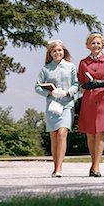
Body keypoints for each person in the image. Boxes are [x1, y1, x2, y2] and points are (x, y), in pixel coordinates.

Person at [78, 33, 104, 177]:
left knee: (101, 132)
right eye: (93, 43)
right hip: (89, 99)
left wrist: (103, 83)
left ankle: (96, 166)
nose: (96, 46)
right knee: (90, 133)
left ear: (103, 45)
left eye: (98, 43)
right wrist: (86, 85)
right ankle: (93, 164)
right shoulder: (83, 63)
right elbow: (81, 83)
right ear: (88, 45)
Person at [35, 39, 78, 178]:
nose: (57, 52)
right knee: (54, 137)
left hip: (67, 104)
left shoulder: (71, 66)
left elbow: (76, 85)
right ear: (50, 53)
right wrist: (49, 92)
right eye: (54, 51)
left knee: (62, 133)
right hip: (53, 106)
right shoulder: (45, 69)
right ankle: (55, 167)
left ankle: (59, 168)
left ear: (63, 51)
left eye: (59, 50)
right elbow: (37, 87)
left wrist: (66, 92)